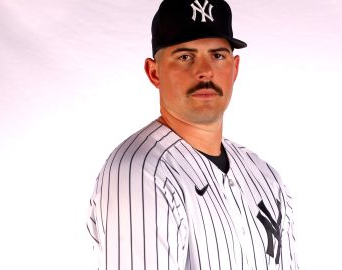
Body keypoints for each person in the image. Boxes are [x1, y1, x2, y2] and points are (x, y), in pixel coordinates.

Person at [86, 0, 298, 269]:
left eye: (218, 55)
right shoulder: (139, 171)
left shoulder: (264, 176)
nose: (205, 71)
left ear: (235, 69)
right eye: (185, 56)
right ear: (154, 72)